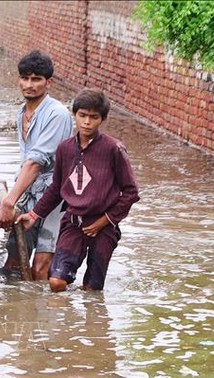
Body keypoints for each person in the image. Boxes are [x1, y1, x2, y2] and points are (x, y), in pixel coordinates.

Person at [15, 88, 140, 291]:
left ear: (103, 119)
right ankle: (64, 321)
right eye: (82, 115)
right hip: (73, 223)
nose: (87, 122)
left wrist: (103, 222)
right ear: (75, 115)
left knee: (92, 289)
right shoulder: (65, 148)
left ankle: (90, 323)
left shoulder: (113, 149)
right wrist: (34, 214)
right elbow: (57, 188)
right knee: (56, 281)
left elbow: (131, 192)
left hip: (104, 226)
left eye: (93, 117)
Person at [0, 50, 74, 280]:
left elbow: (35, 163)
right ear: (19, 79)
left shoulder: (57, 114)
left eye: (36, 79)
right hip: (28, 191)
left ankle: (42, 313)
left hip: (54, 195)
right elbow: (26, 163)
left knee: (41, 266)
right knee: (13, 261)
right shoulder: (22, 112)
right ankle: (19, 309)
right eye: (25, 78)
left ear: (48, 82)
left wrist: (9, 201)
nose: (29, 85)